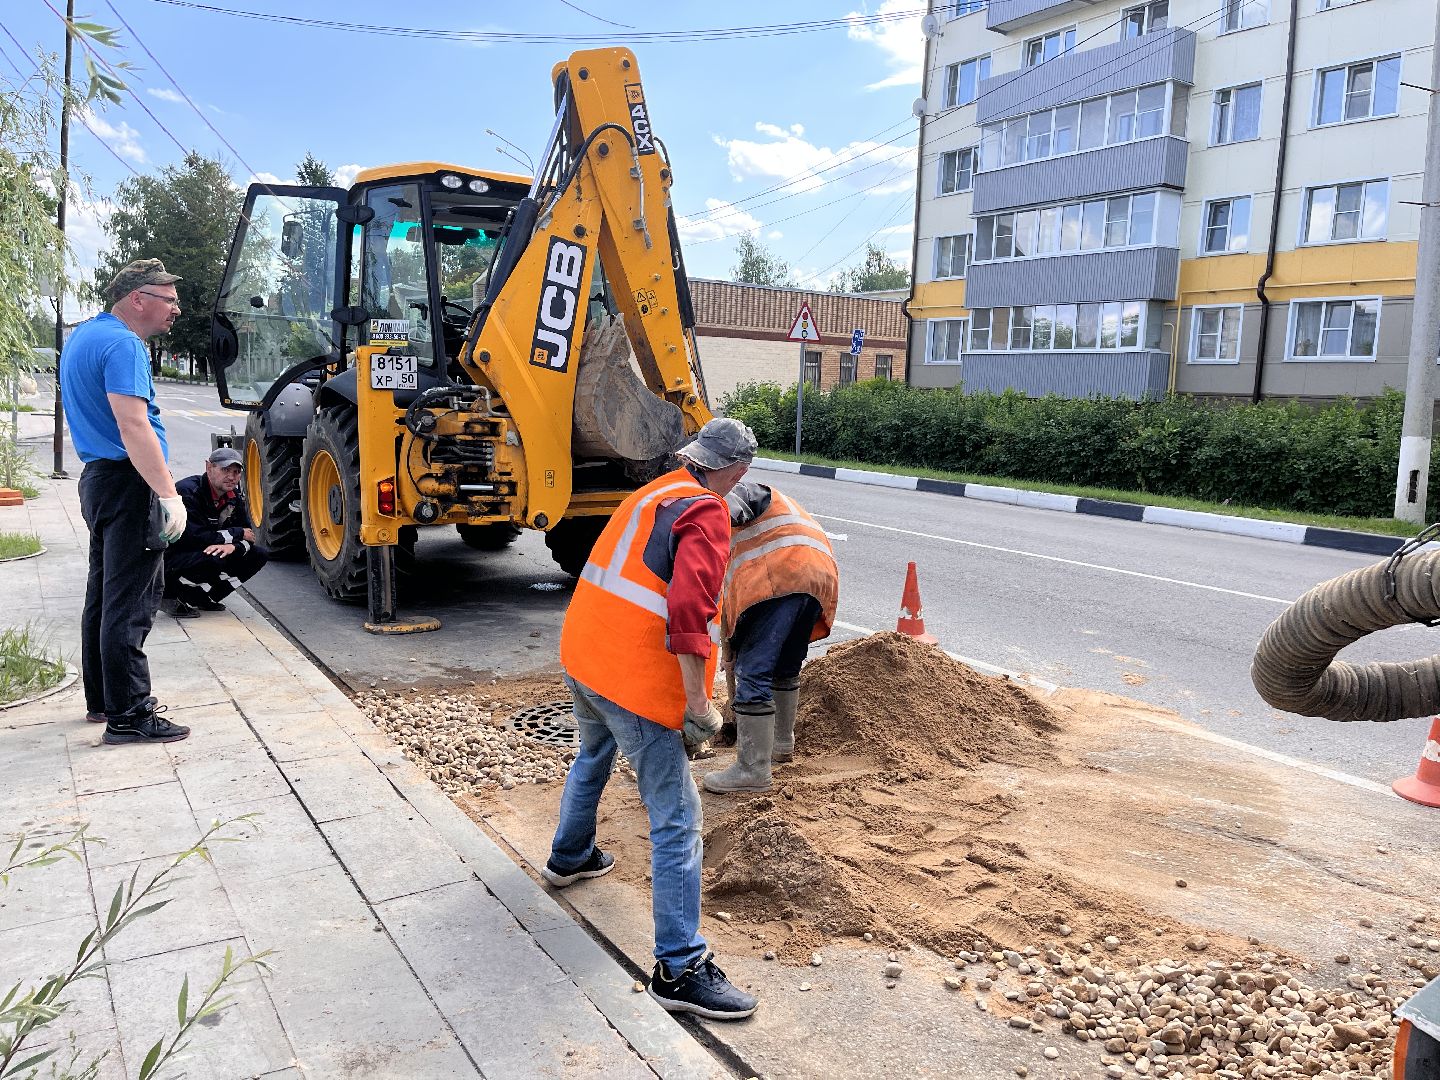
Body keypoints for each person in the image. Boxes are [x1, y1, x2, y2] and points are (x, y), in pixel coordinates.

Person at [544, 417, 760, 1021]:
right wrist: (697, 704)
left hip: (584, 655)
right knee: (677, 818)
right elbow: (689, 616)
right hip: (630, 681)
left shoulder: (653, 491)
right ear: (736, 469)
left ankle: (571, 856)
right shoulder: (707, 512)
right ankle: (680, 967)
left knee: (593, 754)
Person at [62, 259, 191, 745]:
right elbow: (133, 425)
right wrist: (167, 494)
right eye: (169, 300)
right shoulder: (123, 343)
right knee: (131, 603)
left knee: (103, 597)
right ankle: (131, 715)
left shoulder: (83, 336)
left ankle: (103, 701)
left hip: (99, 479)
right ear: (138, 298)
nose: (175, 310)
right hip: (129, 483)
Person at [703, 481, 838, 794]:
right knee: (785, 666)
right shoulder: (775, 500)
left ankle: (752, 769)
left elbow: (728, 511)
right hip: (818, 576)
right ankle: (780, 745)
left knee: (754, 671)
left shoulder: (732, 491)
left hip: (781, 574)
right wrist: (731, 649)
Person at [160, 447, 268, 617]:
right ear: (209, 467)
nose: (232, 477)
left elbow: (250, 536)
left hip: (205, 549)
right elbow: (194, 537)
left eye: (236, 472)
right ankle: (168, 594)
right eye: (225, 470)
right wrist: (235, 534)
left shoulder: (233, 496)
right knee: (215, 557)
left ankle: (202, 597)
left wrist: (234, 547)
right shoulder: (188, 491)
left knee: (258, 554)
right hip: (172, 555)